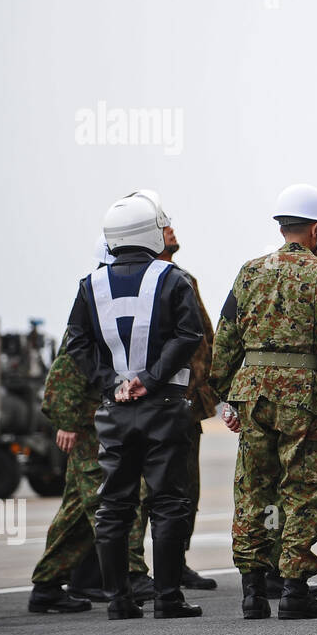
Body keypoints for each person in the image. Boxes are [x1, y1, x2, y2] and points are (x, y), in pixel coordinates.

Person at [210, 186, 317, 620]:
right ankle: (294, 588)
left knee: (252, 489)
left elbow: (225, 338)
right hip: (304, 394)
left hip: (253, 392)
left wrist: (227, 396)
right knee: (304, 489)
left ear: (282, 226)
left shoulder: (249, 272)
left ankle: (252, 591)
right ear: (316, 230)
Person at [65, 194, 205, 619]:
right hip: (164, 406)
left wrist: (114, 384)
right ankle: (168, 599)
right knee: (168, 502)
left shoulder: (90, 284)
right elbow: (189, 335)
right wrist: (151, 379)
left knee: (115, 504)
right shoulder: (174, 278)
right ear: (150, 231)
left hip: (115, 410)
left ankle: (119, 602)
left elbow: (76, 342)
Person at [121, 190, 219, 596]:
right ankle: (131, 571)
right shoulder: (137, 284)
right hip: (151, 402)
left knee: (184, 490)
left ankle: (174, 564)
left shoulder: (181, 278)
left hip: (187, 404)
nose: (172, 229)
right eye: (165, 226)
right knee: (144, 491)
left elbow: (203, 339)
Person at [27, 236, 113, 613]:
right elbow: (67, 368)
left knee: (79, 508)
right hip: (85, 424)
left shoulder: (104, 301)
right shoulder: (95, 303)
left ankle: (47, 585)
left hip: (96, 422)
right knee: (102, 503)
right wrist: (66, 420)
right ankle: (128, 578)